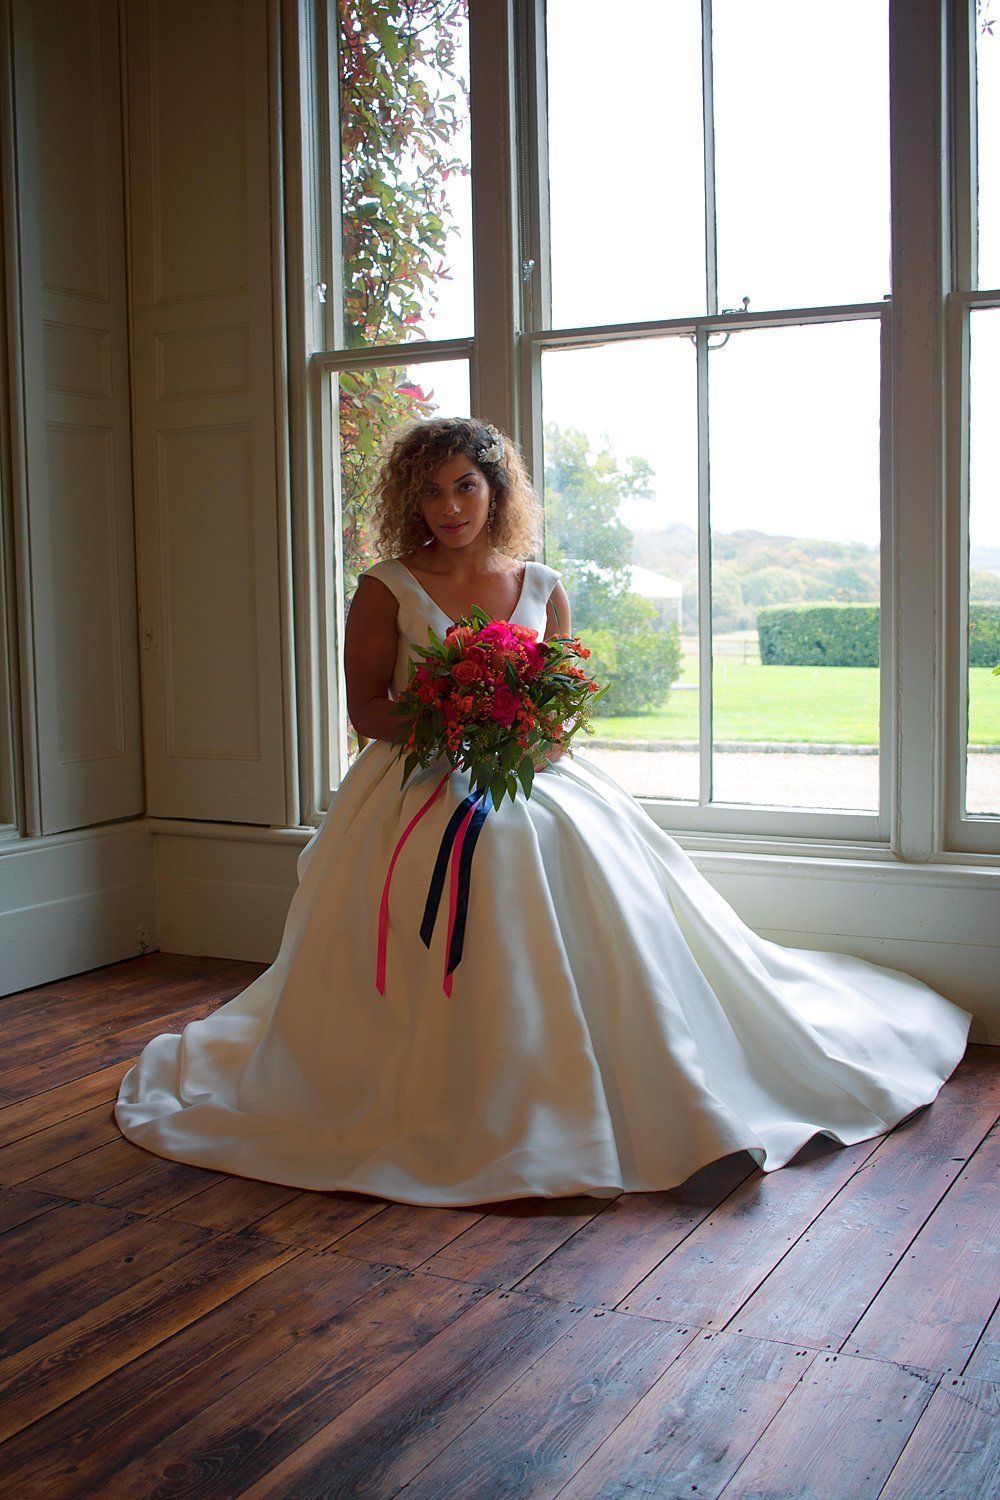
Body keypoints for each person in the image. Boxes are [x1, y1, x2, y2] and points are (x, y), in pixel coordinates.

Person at [115, 416, 973, 1207]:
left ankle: (602, 1083)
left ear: (496, 491)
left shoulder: (542, 583)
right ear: (409, 499)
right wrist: (449, 717)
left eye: (465, 487)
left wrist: (518, 729)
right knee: (471, 861)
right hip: (414, 780)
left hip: (532, 772)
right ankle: (435, 1090)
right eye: (429, 490)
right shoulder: (386, 587)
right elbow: (369, 710)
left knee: (554, 841)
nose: (448, 507)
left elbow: (561, 705)